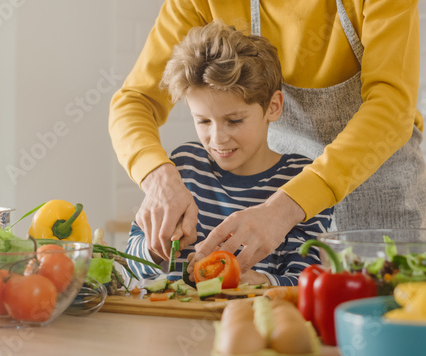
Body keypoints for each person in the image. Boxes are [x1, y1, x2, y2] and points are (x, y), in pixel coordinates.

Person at [109, 0, 426, 275]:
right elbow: (135, 101)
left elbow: (392, 106)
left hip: (379, 209)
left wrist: (286, 210)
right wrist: (158, 177)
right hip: (270, 214)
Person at [124, 22, 331, 286]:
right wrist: (155, 248)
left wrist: (258, 280)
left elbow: (307, 282)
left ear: (273, 107)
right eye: (203, 122)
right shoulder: (185, 166)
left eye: (234, 121)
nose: (218, 138)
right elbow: (130, 265)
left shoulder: (301, 180)